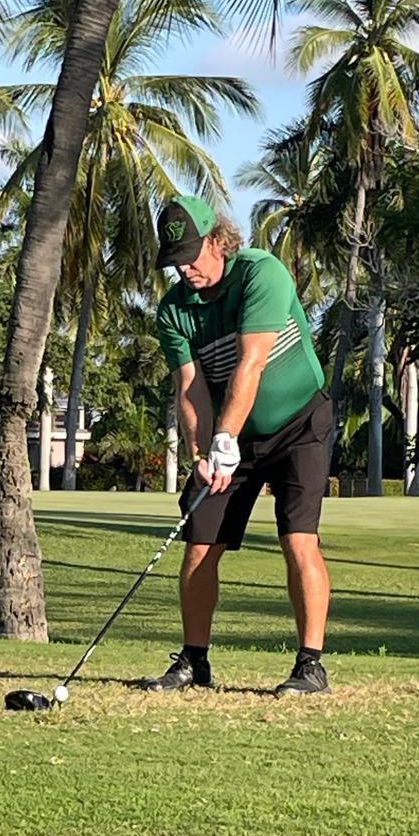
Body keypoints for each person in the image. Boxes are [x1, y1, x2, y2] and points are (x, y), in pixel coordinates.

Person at [144, 195, 333, 697]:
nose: (185, 269)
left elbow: (250, 365)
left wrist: (224, 437)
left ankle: (310, 666)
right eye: (175, 261)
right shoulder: (174, 311)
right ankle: (194, 662)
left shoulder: (260, 274)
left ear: (216, 240)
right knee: (200, 544)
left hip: (300, 425)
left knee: (299, 540)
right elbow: (191, 390)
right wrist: (204, 454)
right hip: (235, 440)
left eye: (191, 255)